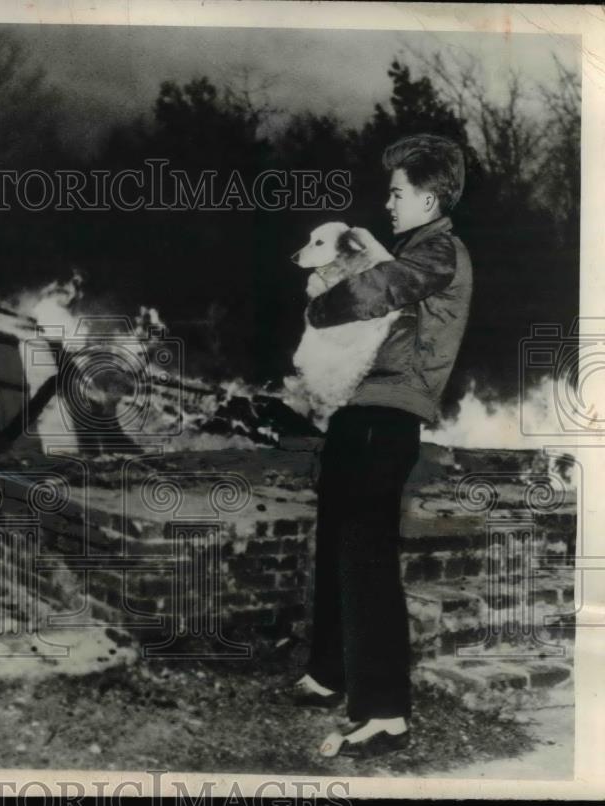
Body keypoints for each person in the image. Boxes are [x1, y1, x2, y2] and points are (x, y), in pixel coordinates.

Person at [273, 134, 473, 759]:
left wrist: (321, 301)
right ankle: (332, 672)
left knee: (365, 555)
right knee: (337, 539)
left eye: (397, 192)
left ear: (429, 197)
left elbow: (371, 291)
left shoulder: (438, 250)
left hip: (388, 414)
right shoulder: (413, 243)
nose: (387, 202)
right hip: (357, 409)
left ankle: (385, 712)